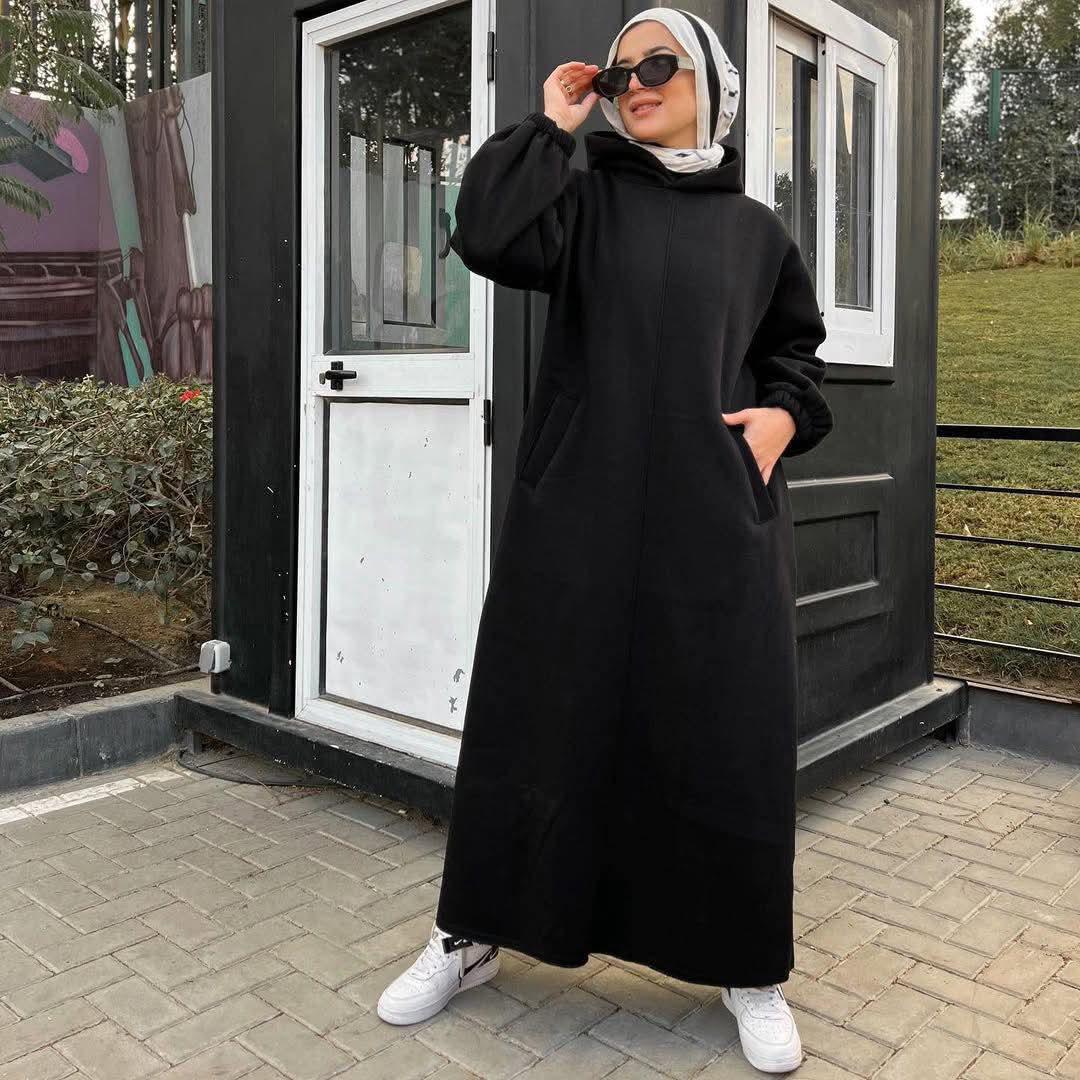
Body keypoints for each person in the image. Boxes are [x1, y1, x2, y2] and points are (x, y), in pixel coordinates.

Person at [377, 9, 833, 1074]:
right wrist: (551, 124)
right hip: (575, 518)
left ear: (712, 83)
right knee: (534, 718)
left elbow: (797, 357)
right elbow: (486, 233)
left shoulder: (759, 234)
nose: (636, 83)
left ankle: (747, 964)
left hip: (714, 528)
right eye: (622, 71)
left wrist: (779, 422)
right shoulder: (580, 203)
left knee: (723, 732)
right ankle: (471, 933)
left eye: (659, 64)